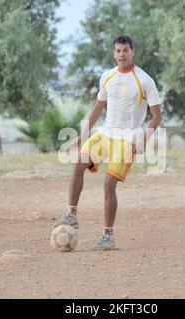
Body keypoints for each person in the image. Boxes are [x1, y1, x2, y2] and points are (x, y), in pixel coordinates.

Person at [54, 35, 162, 250]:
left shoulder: (145, 80)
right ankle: (71, 213)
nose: (122, 54)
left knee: (108, 184)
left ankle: (108, 236)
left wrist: (144, 138)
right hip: (105, 133)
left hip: (128, 137)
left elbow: (157, 115)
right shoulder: (107, 77)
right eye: (118, 51)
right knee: (79, 163)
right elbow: (98, 108)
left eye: (125, 50)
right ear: (114, 53)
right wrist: (82, 135)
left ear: (133, 52)